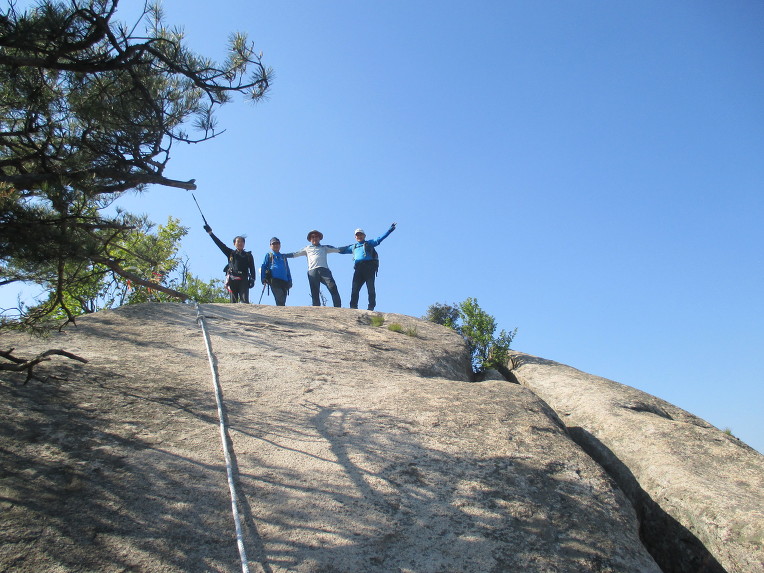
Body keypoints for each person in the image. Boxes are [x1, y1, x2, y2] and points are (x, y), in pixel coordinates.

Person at [339, 223, 396, 311]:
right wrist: (326, 249)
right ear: (355, 237)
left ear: (364, 236)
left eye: (361, 234)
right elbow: (341, 250)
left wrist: (389, 231)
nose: (359, 236)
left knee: (370, 287)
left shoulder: (369, 243)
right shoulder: (353, 247)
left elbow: (379, 239)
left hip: (369, 267)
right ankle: (353, 306)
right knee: (355, 288)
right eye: (357, 235)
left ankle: (371, 306)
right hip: (358, 268)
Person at [285, 230, 344, 307]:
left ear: (319, 238)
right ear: (310, 239)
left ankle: (338, 307)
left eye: (316, 236)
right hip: (312, 271)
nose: (314, 238)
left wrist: (352, 248)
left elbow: (338, 249)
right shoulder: (307, 248)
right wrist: (283, 256)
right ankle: (316, 308)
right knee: (314, 292)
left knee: (332, 287)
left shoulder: (324, 247)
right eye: (312, 237)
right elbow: (295, 254)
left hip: (324, 270)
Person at [204, 224, 256, 303]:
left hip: (244, 279)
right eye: (238, 242)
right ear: (234, 244)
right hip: (232, 278)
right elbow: (220, 244)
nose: (240, 243)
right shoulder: (231, 253)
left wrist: (253, 279)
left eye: (242, 242)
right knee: (233, 301)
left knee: (245, 301)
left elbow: (252, 268)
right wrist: (210, 233)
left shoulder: (248, 255)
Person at [261, 237, 292, 306]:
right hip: (274, 280)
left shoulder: (283, 257)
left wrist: (290, 280)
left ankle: (280, 310)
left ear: (280, 245)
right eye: (273, 244)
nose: (276, 245)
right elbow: (264, 266)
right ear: (270, 246)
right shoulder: (269, 255)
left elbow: (287, 269)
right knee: (280, 297)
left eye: (277, 243)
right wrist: (263, 278)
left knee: (283, 298)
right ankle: (281, 309)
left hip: (284, 281)